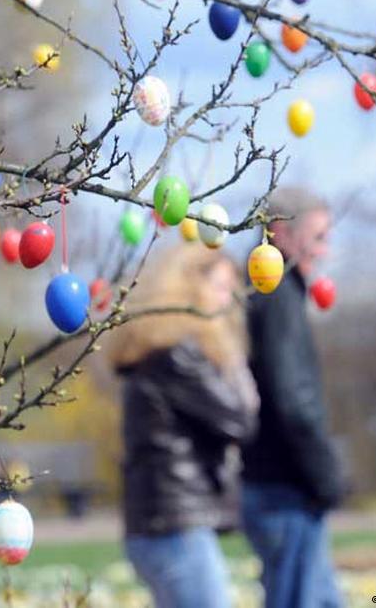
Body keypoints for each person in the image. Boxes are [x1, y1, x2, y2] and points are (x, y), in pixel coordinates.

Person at [108, 244, 259, 608]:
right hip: (176, 526)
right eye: (221, 287)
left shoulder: (154, 354)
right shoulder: (178, 355)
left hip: (158, 524)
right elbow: (239, 419)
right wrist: (236, 362)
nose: (229, 301)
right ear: (189, 288)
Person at [241, 187, 344, 608]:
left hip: (273, 487)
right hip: (284, 491)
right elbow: (293, 399)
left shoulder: (262, 292)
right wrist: (326, 476)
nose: (325, 252)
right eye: (317, 238)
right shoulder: (277, 296)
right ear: (280, 233)